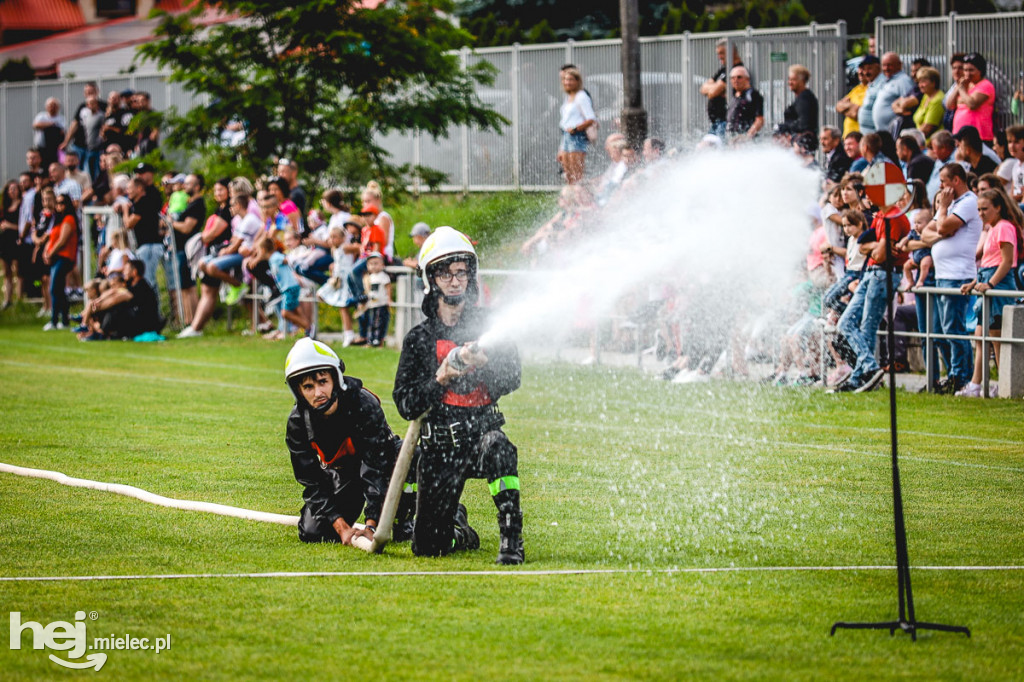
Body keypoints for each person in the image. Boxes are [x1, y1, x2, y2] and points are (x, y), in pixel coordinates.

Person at [393, 226, 524, 564]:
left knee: (499, 447)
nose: (455, 280)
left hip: (480, 438)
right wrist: (440, 377)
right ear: (431, 279)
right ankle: (460, 529)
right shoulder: (419, 339)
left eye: (461, 272)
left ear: (471, 276)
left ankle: (511, 540)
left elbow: (513, 378)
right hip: (439, 449)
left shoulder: (490, 326)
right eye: (446, 273)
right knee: (427, 547)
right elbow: (406, 404)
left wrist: (485, 365)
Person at [283, 337, 409, 545]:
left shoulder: (363, 404)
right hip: (345, 476)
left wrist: (371, 527)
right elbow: (312, 481)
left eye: (323, 382)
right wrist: (340, 526)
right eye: (308, 386)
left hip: (385, 467)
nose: (318, 393)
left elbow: (375, 466)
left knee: (411, 456)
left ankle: (408, 518)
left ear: (336, 379)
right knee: (313, 532)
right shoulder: (297, 424)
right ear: (299, 391)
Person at [915, 163, 983, 393]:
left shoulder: (968, 202)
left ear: (956, 181)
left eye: (943, 181)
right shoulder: (951, 204)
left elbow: (943, 225)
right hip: (943, 275)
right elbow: (927, 233)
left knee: (953, 329)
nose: (940, 186)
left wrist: (943, 213)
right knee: (940, 331)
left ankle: (960, 376)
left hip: (958, 275)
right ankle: (953, 374)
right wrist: (941, 230)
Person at [831, 198, 911, 393]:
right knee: (846, 323)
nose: (866, 197)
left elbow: (880, 255)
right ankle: (866, 370)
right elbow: (862, 245)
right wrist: (874, 247)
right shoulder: (881, 215)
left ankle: (863, 374)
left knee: (865, 328)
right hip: (871, 273)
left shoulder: (893, 216)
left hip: (883, 273)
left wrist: (873, 248)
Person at [954, 189, 1023, 397]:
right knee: (981, 337)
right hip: (989, 283)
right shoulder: (993, 228)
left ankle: (1005, 386)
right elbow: (989, 263)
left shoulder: (1004, 227)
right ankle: (977, 384)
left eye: (985, 209)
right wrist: (975, 283)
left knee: (996, 339)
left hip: (999, 288)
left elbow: (1007, 261)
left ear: (998, 207)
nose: (981, 214)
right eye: (978, 210)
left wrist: (990, 284)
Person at [41, 194, 79, 330]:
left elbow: (62, 240)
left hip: (64, 257)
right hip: (56, 257)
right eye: (57, 203)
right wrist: (47, 252)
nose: (59, 206)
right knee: (59, 290)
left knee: (54, 288)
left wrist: (50, 253)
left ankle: (54, 320)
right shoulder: (57, 220)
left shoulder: (69, 219)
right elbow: (52, 239)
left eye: (62, 203)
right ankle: (64, 320)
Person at [557, 66, 596, 185]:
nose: (567, 82)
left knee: (576, 174)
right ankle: (572, 200)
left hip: (576, 136)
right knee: (568, 175)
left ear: (577, 81)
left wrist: (576, 128)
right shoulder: (569, 97)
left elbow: (591, 118)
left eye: (570, 79)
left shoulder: (581, 96)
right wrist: (561, 147)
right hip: (566, 136)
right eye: (565, 79)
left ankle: (582, 199)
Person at [950, 52, 995, 144]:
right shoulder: (966, 85)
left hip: (979, 136)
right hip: (959, 135)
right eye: (965, 70)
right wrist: (958, 88)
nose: (967, 74)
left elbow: (972, 104)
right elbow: (950, 105)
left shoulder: (985, 85)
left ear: (980, 71)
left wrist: (961, 90)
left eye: (971, 70)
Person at [701, 40, 741, 138]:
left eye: (722, 53)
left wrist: (714, 88)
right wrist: (717, 87)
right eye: (718, 54)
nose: (719, 57)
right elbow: (703, 88)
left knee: (713, 149)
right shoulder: (724, 69)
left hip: (725, 121)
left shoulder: (736, 70)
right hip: (717, 122)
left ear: (732, 52)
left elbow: (713, 93)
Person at [871, 53, 915, 136]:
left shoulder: (903, 81)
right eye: (884, 65)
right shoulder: (888, 80)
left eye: (889, 65)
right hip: (884, 132)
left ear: (899, 65)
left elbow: (908, 104)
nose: (886, 68)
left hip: (894, 133)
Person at [778, 65, 818, 147]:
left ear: (802, 81)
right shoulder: (802, 97)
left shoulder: (804, 99)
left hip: (801, 144)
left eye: (793, 80)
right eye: (789, 79)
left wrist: (785, 128)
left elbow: (804, 124)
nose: (790, 82)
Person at [725, 66, 764, 142]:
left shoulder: (753, 94)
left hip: (744, 140)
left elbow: (760, 120)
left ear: (747, 79)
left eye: (739, 77)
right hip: (732, 139)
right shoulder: (735, 96)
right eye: (732, 78)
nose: (735, 80)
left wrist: (747, 136)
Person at [1, 180, 23, 309]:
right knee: (7, 272)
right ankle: (7, 300)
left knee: (18, 272)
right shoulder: (5, 207)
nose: (12, 191)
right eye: (10, 189)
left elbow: (23, 225)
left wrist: (9, 225)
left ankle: (18, 300)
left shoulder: (22, 205)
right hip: (5, 243)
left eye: (15, 189)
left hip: (16, 241)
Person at [836, 60, 872, 137]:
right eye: (859, 69)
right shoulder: (857, 89)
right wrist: (851, 108)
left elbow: (858, 113)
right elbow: (838, 106)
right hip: (848, 135)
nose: (860, 72)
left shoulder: (871, 90)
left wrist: (846, 108)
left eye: (863, 69)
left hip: (860, 136)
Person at [362, 252, 391, 347]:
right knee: (371, 323)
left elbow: (388, 288)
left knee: (379, 323)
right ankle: (371, 340)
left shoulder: (383, 276)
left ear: (382, 265)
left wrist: (389, 299)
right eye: (371, 264)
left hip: (381, 303)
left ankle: (378, 341)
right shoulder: (369, 278)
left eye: (376, 263)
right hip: (372, 304)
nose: (373, 266)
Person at [910, 66, 945, 144]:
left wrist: (911, 138)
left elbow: (927, 129)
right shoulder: (926, 96)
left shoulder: (937, 100)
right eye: (919, 82)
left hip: (933, 145)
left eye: (923, 82)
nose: (920, 85)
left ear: (933, 83)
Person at [33, 98, 65, 168]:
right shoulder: (41, 116)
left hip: (54, 149)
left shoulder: (61, 118)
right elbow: (35, 125)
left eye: (54, 105)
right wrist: (51, 124)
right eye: (50, 105)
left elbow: (62, 131)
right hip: (41, 147)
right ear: (46, 107)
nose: (52, 107)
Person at [856, 55, 884, 134]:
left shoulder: (882, 83)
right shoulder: (872, 83)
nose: (866, 72)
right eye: (864, 69)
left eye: (869, 68)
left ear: (878, 67)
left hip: (875, 132)